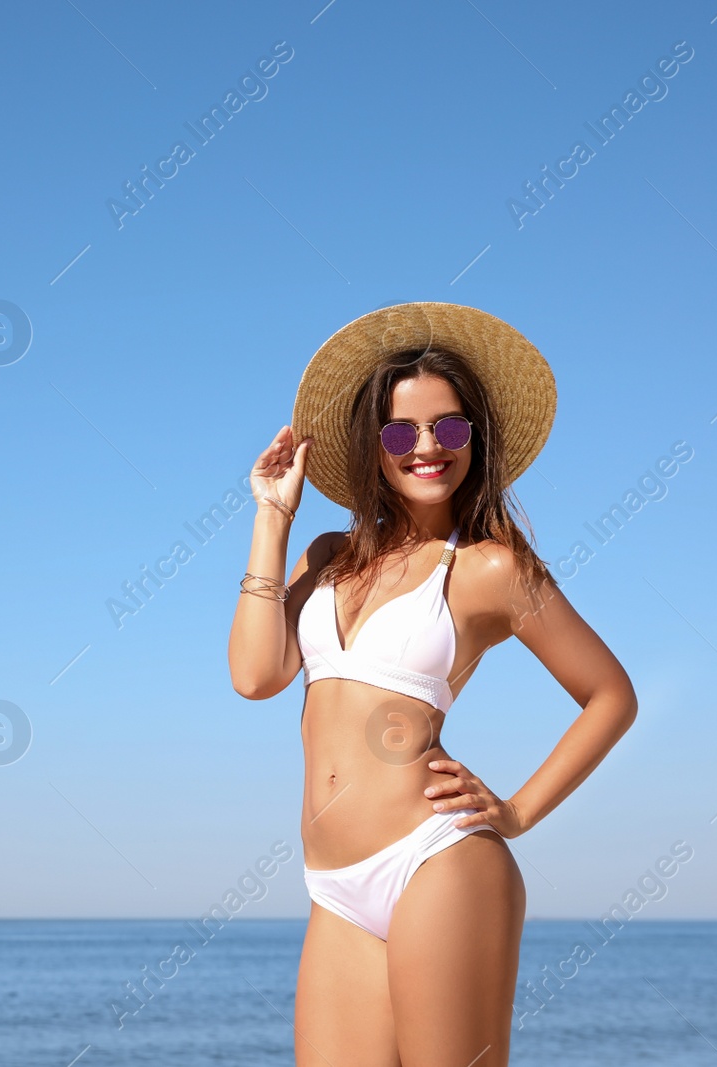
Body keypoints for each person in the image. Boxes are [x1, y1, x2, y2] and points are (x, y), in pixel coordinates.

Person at [228, 302, 638, 1066]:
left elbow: (611, 694)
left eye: (449, 428)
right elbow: (256, 676)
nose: (427, 447)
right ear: (372, 446)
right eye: (401, 431)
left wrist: (516, 810)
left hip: (439, 861)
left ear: (473, 440)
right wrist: (271, 518)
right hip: (335, 887)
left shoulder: (489, 567)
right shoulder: (323, 555)